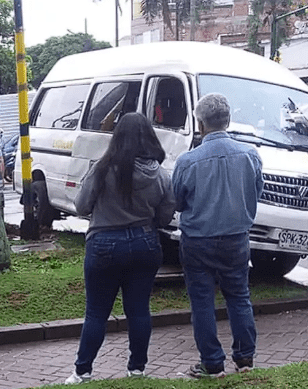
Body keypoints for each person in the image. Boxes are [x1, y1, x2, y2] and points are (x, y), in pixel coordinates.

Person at [66, 113, 175, 384]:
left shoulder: (103, 169)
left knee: (96, 313)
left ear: (117, 138)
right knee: (139, 310)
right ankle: (137, 369)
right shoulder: (160, 175)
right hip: (145, 243)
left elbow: (81, 206)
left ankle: (83, 371)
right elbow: (165, 216)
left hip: (104, 244)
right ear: (149, 137)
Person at [172, 93, 262, 378]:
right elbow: (255, 192)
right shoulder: (250, 155)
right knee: (239, 296)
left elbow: (179, 201)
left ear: (200, 124)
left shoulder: (187, 161)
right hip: (236, 238)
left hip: (198, 239)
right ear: (228, 120)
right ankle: (245, 358)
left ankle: (211, 362)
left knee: (202, 302)